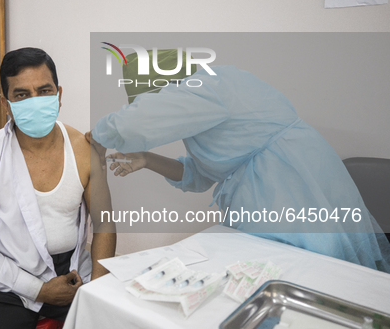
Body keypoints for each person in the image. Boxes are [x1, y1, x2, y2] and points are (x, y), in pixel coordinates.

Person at [89, 64, 390, 273]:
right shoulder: (210, 114)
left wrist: (98, 136)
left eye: (149, 99)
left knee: (308, 281)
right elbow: (202, 175)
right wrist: (147, 159)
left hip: (292, 192)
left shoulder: (213, 86)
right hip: (280, 189)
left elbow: (137, 121)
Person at [0, 48, 116, 328]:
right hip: (7, 273)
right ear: (7, 103)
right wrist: (39, 290)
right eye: (22, 94)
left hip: (74, 270)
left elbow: (104, 224)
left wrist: (97, 292)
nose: (35, 101)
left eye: (44, 91)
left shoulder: (84, 149)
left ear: (59, 94)